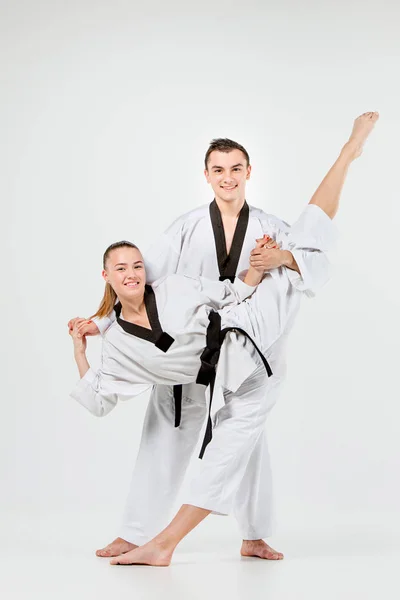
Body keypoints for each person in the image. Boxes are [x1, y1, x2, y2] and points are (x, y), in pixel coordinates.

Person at [69, 112, 379, 567]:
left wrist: (280, 257)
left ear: (249, 172)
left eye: (236, 168)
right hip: (189, 346)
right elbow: (138, 280)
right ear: (207, 175)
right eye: (218, 169)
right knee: (164, 432)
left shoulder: (269, 225)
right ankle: (136, 532)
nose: (227, 177)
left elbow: (312, 261)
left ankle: (253, 534)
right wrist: (101, 323)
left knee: (246, 438)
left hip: (253, 344)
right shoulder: (187, 226)